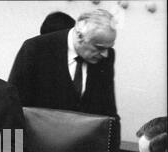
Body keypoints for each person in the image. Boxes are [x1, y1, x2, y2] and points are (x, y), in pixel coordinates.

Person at [8, 9, 120, 139]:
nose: (105, 54)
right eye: (99, 47)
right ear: (79, 36)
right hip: (37, 145)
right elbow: (12, 107)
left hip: (84, 148)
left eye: (109, 47)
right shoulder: (35, 49)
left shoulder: (107, 57)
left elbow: (109, 112)